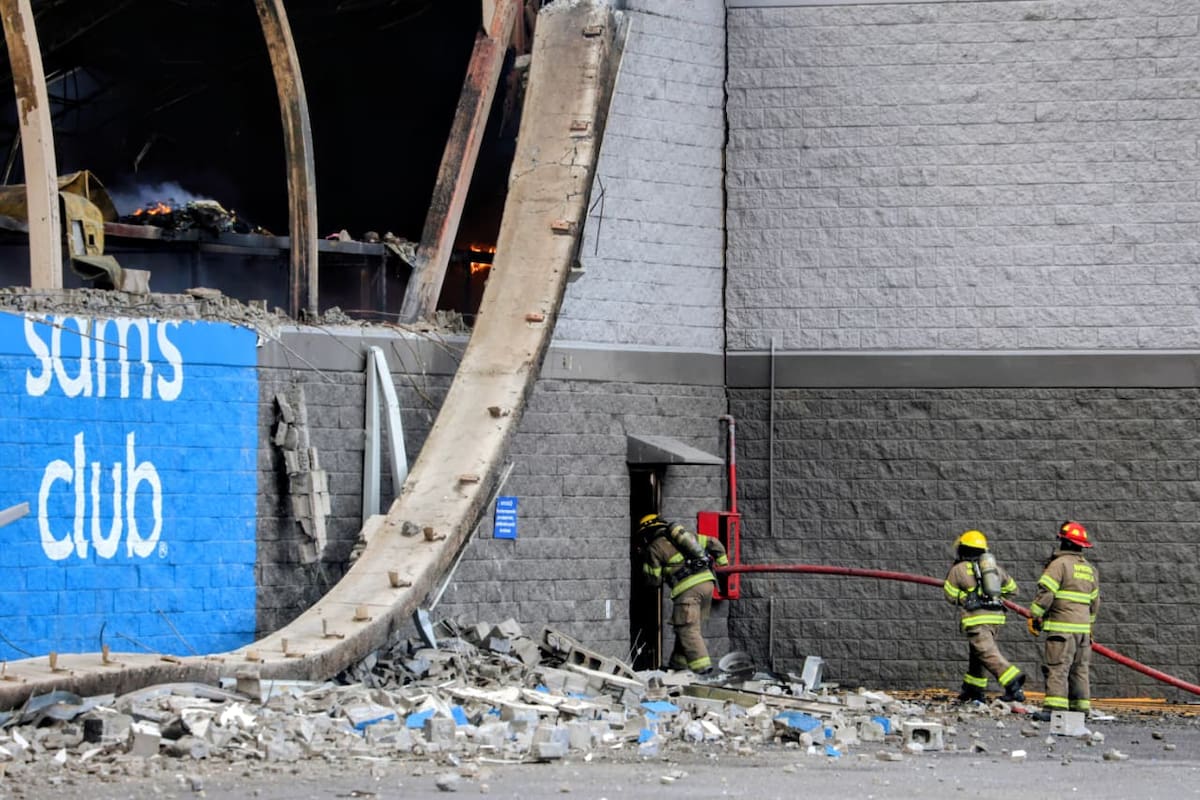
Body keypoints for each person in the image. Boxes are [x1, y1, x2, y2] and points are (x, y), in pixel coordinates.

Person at [636, 513, 728, 675]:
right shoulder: (687, 537)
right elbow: (714, 543)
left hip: (688, 590)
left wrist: (645, 562)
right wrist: (723, 567)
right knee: (684, 627)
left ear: (647, 532)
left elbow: (654, 582)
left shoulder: (654, 548)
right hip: (707, 585)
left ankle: (703, 672)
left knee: (687, 629)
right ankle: (677, 667)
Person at [1027, 520, 1100, 721]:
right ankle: (1080, 709)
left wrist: (1035, 615)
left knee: (1058, 667)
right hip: (1083, 632)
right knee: (1080, 670)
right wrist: (1089, 626)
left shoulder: (1058, 565)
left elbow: (1046, 593)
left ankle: (1054, 710)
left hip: (1061, 629)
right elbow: (1095, 602)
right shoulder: (1090, 570)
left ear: (1064, 543)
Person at [943, 529, 1026, 703]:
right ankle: (973, 689)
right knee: (978, 654)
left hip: (976, 619)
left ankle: (1012, 682)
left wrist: (966, 597)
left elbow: (950, 594)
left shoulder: (958, 569)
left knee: (987, 653)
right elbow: (1013, 589)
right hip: (996, 619)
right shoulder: (994, 569)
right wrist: (994, 596)